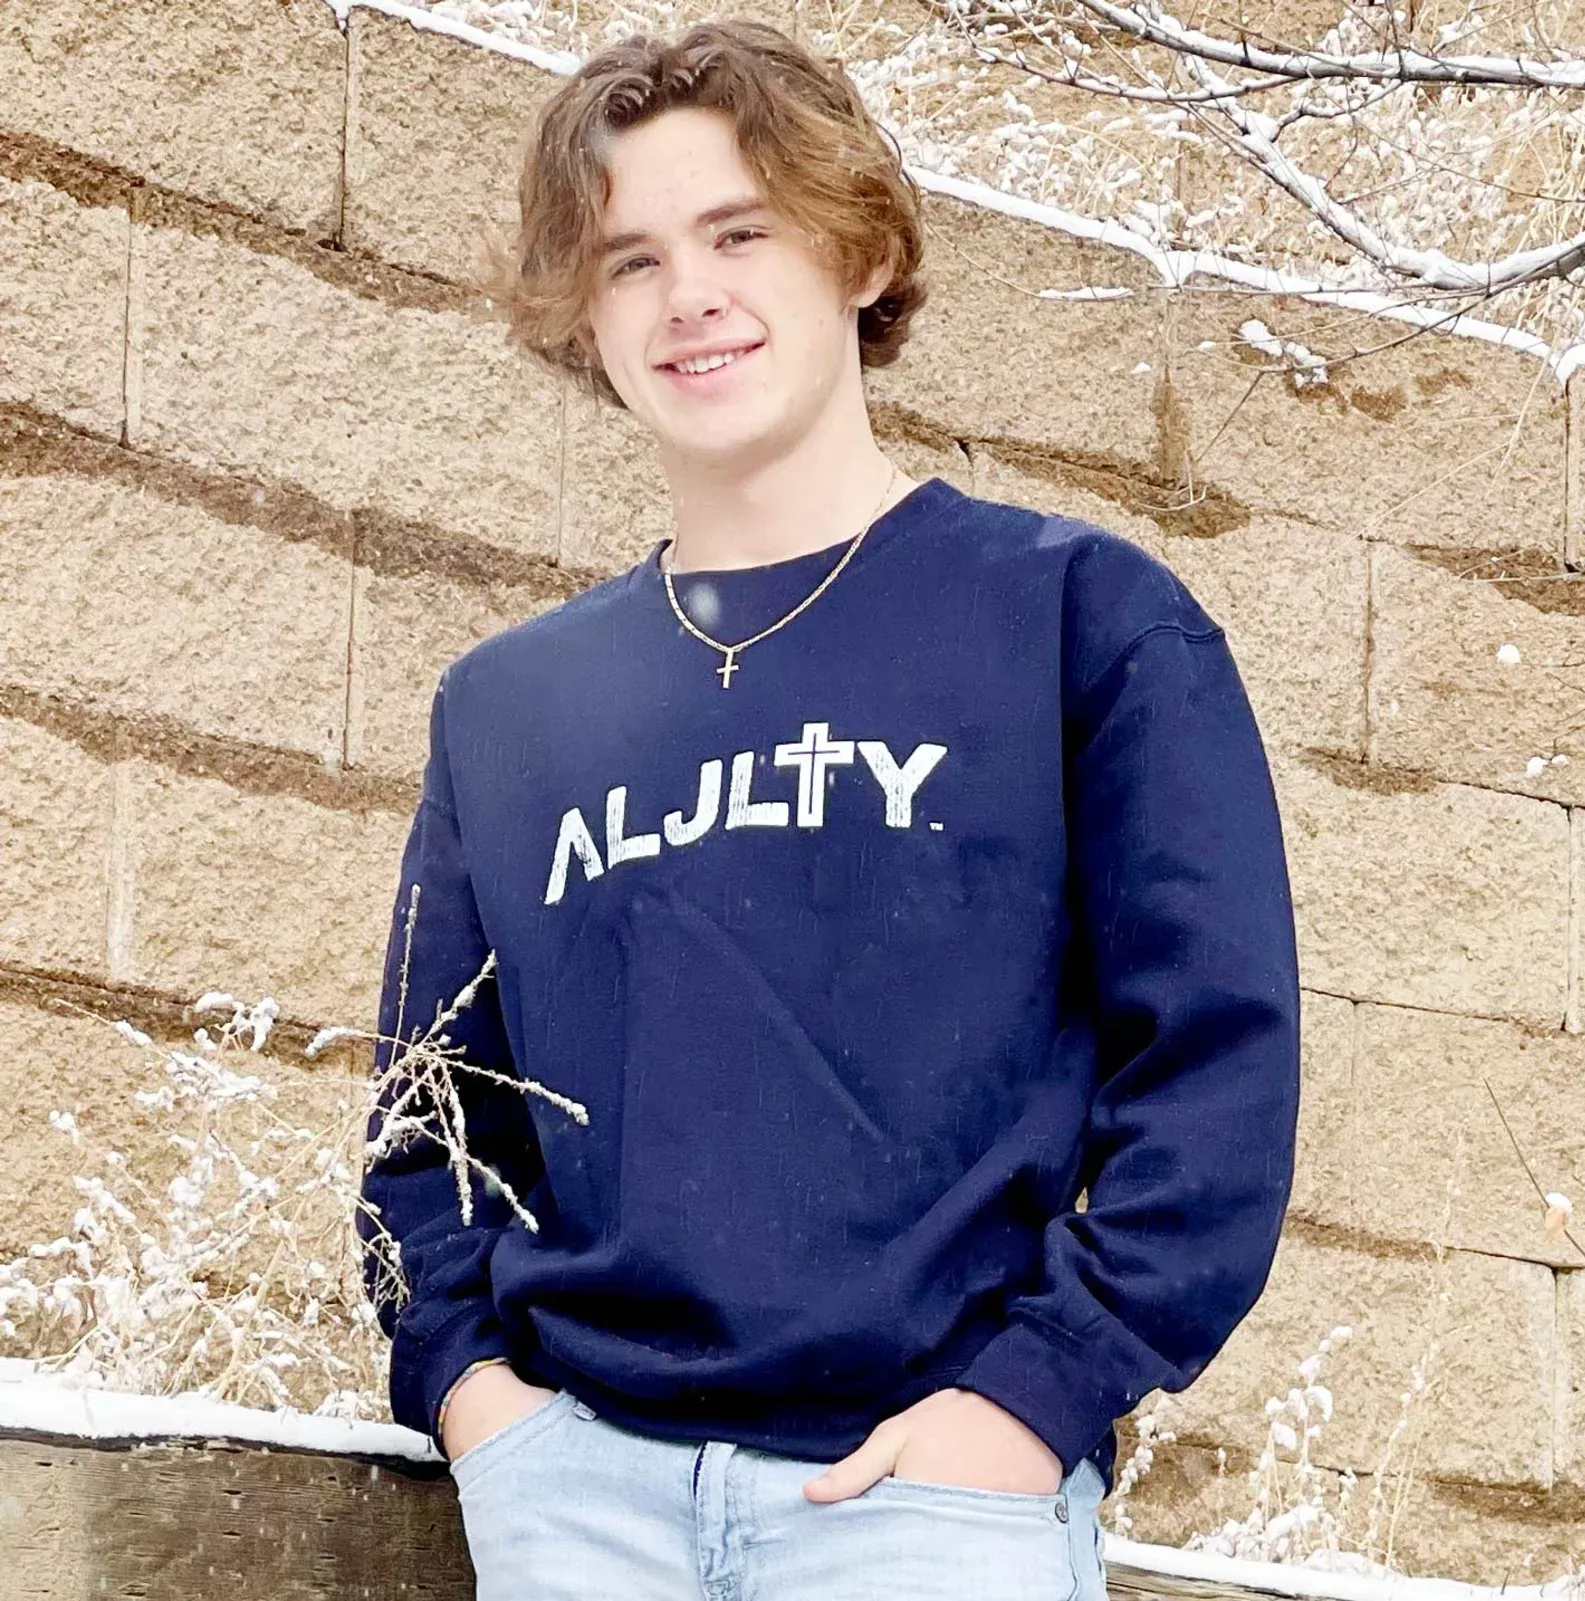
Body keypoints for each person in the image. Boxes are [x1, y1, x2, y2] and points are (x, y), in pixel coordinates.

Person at [356, 16, 1301, 1601]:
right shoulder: (508, 708)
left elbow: (1215, 1064)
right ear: (584, 316)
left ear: (857, 253)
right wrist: (477, 1403)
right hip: (577, 1500)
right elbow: (428, 1122)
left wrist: (1035, 1401)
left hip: (929, 1510)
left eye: (740, 232)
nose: (690, 296)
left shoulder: (1077, 621)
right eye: (630, 259)